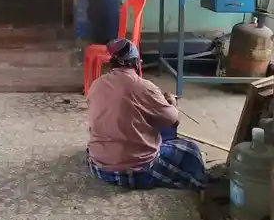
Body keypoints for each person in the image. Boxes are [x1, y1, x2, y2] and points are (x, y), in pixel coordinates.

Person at [86, 38, 207, 191]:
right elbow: (174, 120)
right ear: (137, 63)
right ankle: (203, 185)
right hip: (135, 172)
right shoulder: (145, 87)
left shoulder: (97, 84)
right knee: (191, 150)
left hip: (99, 166)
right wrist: (171, 103)